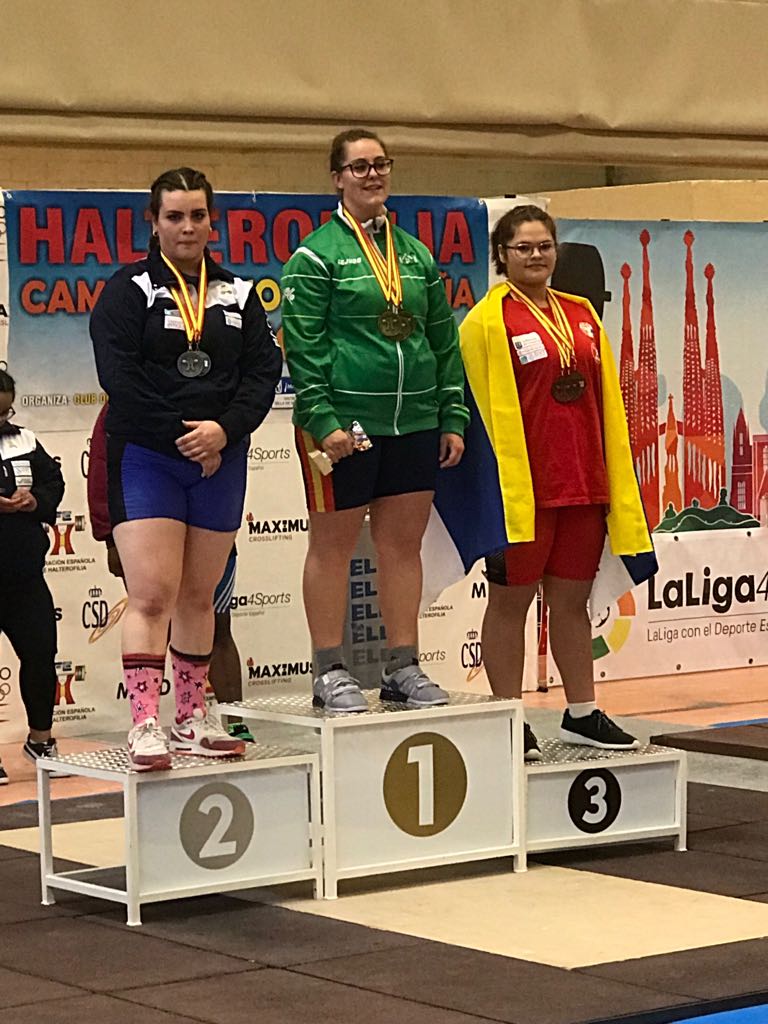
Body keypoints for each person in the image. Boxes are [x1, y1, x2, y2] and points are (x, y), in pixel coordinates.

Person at [90, 167, 282, 770]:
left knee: (200, 598)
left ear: (211, 222)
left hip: (220, 459)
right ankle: (145, 723)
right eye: (174, 216)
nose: (187, 227)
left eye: (198, 215)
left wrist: (224, 430)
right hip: (149, 457)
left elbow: (262, 374)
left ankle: (192, 718)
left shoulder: (238, 293)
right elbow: (119, 376)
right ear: (153, 222)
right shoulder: (129, 291)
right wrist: (185, 434)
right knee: (152, 595)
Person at [281, 128, 468, 714]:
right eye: (359, 167)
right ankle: (328, 669)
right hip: (343, 426)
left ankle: (403, 665)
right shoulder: (315, 256)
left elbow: (443, 340)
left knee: (402, 547)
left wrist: (452, 413)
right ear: (337, 178)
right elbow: (302, 345)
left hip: (413, 421)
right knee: (332, 547)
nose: (372, 175)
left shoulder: (415, 255)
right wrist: (321, 417)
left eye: (380, 164)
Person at [459, 205, 652, 759]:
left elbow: (604, 399)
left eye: (545, 245)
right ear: (501, 255)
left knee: (571, 604)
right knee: (510, 604)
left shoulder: (581, 313)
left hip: (585, 483)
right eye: (523, 247)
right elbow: (473, 413)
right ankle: (506, 718)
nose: (537, 255)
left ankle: (582, 713)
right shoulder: (485, 322)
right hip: (523, 490)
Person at [86, 403, 253, 740]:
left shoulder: (218, 398)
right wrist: (108, 536)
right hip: (151, 528)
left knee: (216, 623)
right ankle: (146, 724)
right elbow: (104, 467)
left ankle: (228, 721)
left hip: (206, 526)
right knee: (154, 613)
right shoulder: (125, 407)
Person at [0, 370, 65, 783]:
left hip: (25, 575)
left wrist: (34, 500)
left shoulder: (25, 439)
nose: (2, 421)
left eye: (6, 412)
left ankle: (41, 740)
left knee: (41, 655)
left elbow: (53, 482)